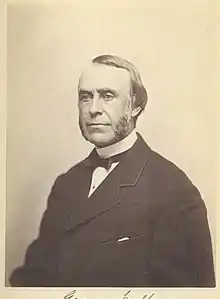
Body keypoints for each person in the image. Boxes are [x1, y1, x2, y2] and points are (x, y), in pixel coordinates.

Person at [10, 55, 215, 287]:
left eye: (107, 96)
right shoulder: (66, 184)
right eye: (86, 97)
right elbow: (35, 278)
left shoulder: (174, 191)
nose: (93, 109)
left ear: (136, 106)